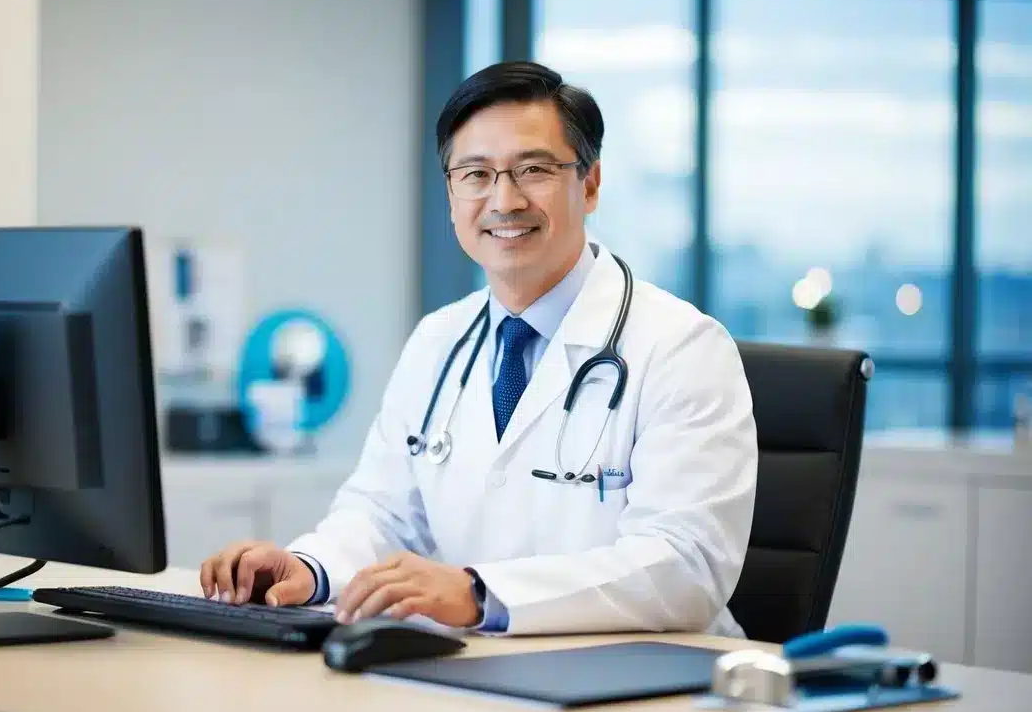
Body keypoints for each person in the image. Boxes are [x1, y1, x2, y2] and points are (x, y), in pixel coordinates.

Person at [200, 61, 758, 636]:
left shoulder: (682, 348)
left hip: (652, 690)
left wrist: (479, 593)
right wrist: (310, 568)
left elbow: (686, 567)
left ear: (589, 185)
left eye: (533, 170)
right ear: (451, 193)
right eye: (475, 175)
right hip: (488, 675)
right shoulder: (438, 341)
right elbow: (383, 515)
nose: (504, 200)